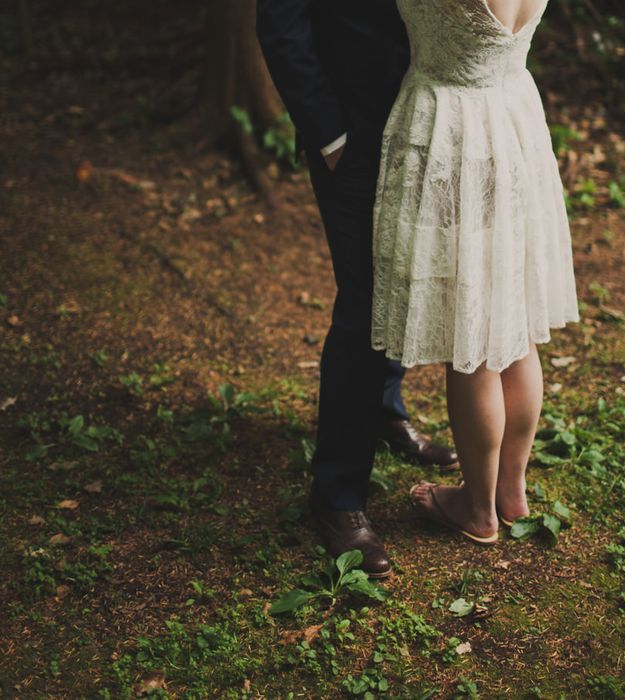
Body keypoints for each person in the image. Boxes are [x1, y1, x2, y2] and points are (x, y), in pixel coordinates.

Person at [256, 0, 460, 579]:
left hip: (427, 120)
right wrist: (328, 133)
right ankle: (338, 494)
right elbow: (280, 22)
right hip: (351, 132)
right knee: (366, 299)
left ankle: (383, 408)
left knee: (405, 275)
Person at [371, 0, 581, 544]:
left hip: (451, 132)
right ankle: (512, 490)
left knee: (470, 327)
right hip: (513, 124)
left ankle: (478, 508)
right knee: (512, 325)